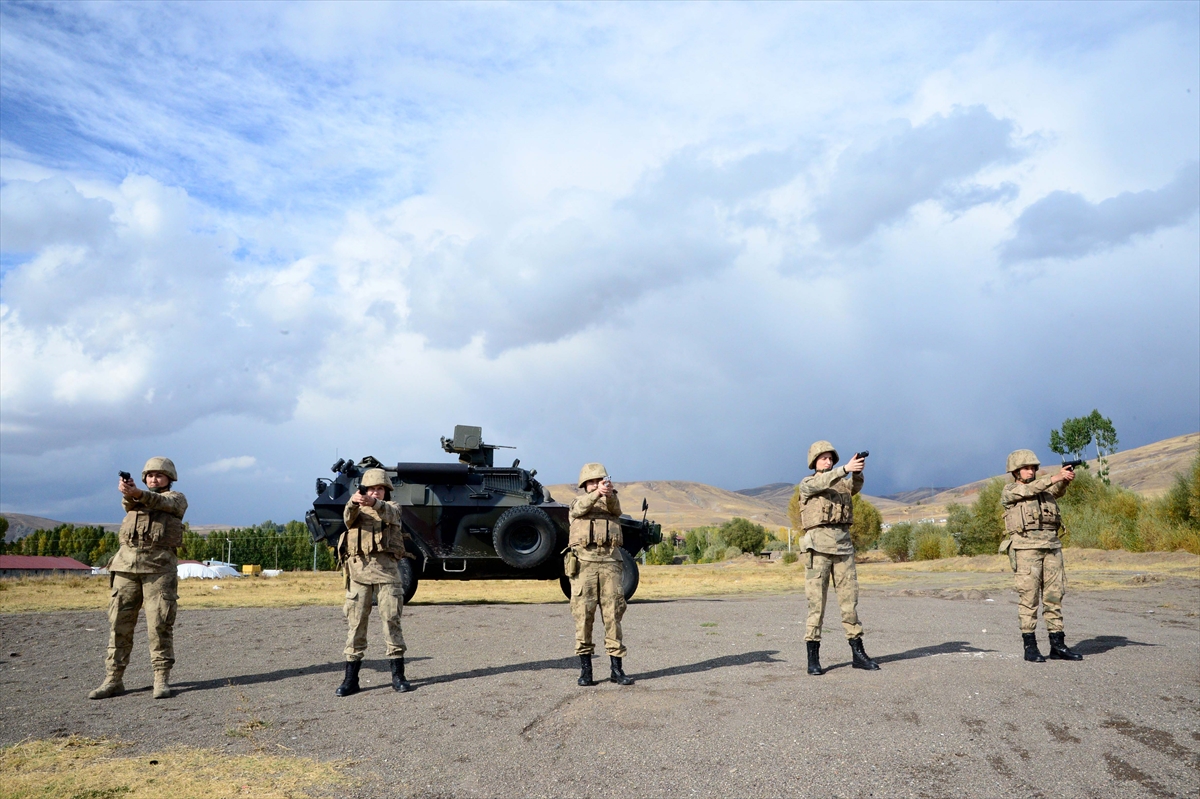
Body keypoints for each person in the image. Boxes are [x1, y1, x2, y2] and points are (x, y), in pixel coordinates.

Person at [89, 457, 187, 700]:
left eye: (159, 475)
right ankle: (113, 679)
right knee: (119, 625)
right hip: (125, 568)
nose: (154, 478)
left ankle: (160, 678)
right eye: (150, 475)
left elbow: (157, 500)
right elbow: (130, 501)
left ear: (169, 478)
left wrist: (137, 492)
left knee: (159, 625)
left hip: (158, 570)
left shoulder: (176, 499)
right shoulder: (133, 501)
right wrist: (129, 491)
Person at [797, 441, 879, 675]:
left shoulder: (841, 483)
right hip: (818, 549)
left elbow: (854, 486)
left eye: (831, 458)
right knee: (816, 605)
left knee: (849, 602)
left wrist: (857, 470)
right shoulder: (808, 483)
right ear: (813, 461)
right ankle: (813, 657)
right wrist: (844, 468)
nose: (829, 461)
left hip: (843, 548)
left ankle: (858, 653)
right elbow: (823, 481)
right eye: (823, 458)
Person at [335, 468, 412, 696]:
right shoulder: (356, 510)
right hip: (358, 574)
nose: (375, 493)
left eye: (379, 489)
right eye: (371, 489)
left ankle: (398, 677)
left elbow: (391, 514)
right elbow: (347, 518)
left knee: (391, 622)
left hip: (387, 574)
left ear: (386, 491)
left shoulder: (392, 508)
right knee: (356, 625)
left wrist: (374, 503)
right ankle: (351, 679)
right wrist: (353, 502)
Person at [1000, 450, 1083, 663]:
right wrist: (1054, 477)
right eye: (1026, 468)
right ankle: (1030, 647)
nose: (1031, 471)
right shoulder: (1011, 490)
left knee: (1054, 596)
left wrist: (1064, 479)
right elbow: (1030, 489)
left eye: (1033, 468)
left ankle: (1058, 645)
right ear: (1015, 471)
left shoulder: (1045, 491)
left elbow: (1056, 489)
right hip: (1026, 549)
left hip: (1052, 546)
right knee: (1029, 599)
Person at [566, 462, 633, 687]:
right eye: (592, 481)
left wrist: (609, 492)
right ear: (584, 484)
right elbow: (579, 509)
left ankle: (617, 669)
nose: (597, 485)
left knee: (613, 615)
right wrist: (596, 493)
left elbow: (616, 509)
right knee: (583, 616)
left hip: (610, 564)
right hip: (584, 564)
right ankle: (586, 671)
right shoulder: (578, 503)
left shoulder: (611, 504)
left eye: (600, 480)